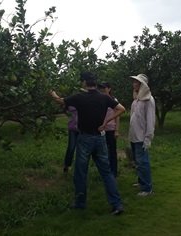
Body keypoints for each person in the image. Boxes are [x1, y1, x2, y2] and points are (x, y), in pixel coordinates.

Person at [50, 72, 126, 215]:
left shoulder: (79, 97)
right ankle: (117, 205)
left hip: (85, 139)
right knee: (106, 173)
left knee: (80, 172)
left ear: (85, 83)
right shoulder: (104, 97)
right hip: (100, 138)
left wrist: (51, 92)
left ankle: (80, 203)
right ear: (95, 84)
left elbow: (59, 101)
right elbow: (122, 109)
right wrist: (106, 122)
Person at [128, 74, 155, 197]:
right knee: (138, 161)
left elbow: (150, 120)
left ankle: (147, 188)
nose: (133, 84)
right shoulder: (136, 100)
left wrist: (148, 138)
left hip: (141, 137)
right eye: (134, 82)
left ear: (142, 85)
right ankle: (141, 181)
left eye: (136, 83)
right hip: (134, 136)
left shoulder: (148, 100)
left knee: (143, 162)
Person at [98, 82, 120, 177]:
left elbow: (117, 116)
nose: (103, 89)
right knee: (103, 152)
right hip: (101, 129)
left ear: (109, 89)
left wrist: (116, 130)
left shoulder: (113, 100)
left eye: (104, 87)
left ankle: (114, 171)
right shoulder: (99, 100)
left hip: (111, 129)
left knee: (112, 151)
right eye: (101, 88)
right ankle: (106, 171)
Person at [63, 106, 79, 173]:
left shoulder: (85, 100)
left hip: (82, 129)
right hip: (72, 129)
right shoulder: (71, 102)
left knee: (81, 149)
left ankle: (79, 167)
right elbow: (65, 108)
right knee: (71, 147)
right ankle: (67, 165)